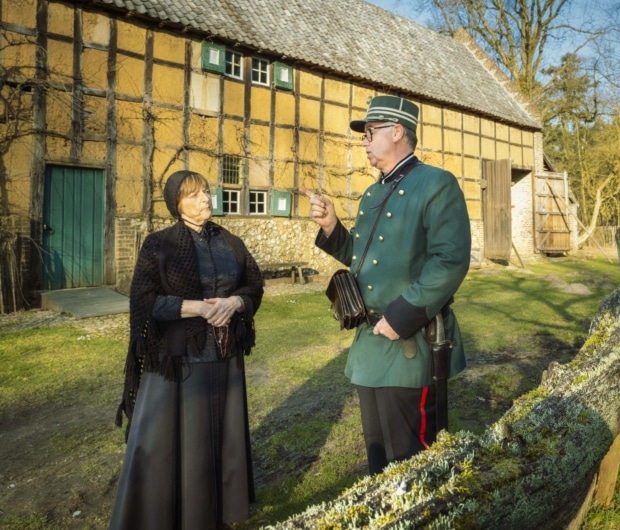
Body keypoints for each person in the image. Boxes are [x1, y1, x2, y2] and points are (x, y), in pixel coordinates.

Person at [301, 95, 471, 475]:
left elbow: (450, 261)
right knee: (380, 462)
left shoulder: (436, 184)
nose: (363, 140)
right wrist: (332, 228)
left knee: (414, 462)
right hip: (371, 346)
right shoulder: (374, 193)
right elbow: (364, 260)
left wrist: (400, 316)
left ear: (397, 132)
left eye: (370, 132)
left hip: (411, 343)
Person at [109, 170, 264, 530]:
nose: (205, 200)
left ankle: (219, 511)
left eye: (206, 192)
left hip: (226, 359)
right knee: (176, 447)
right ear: (176, 204)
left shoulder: (231, 242)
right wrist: (196, 307)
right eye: (193, 195)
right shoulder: (159, 244)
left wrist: (236, 303)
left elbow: (254, 286)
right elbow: (143, 302)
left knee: (218, 440)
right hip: (178, 361)